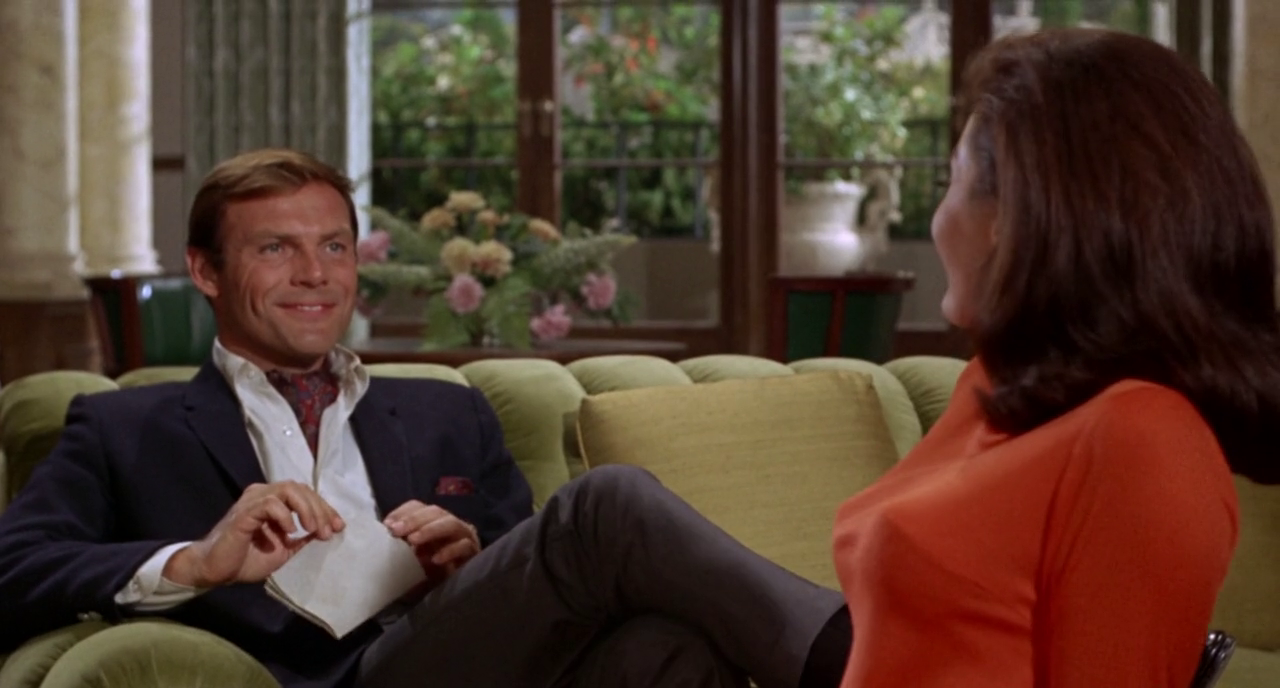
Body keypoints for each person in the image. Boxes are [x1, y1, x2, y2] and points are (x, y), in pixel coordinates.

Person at [0, 148, 852, 688]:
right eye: (276, 248)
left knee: (668, 651)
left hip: (465, 660)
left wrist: (471, 563)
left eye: (334, 246)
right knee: (607, 502)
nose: (315, 274)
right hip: (327, 679)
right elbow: (13, 572)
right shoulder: (123, 428)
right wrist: (196, 562)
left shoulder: (449, 411)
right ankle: (866, 660)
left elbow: (547, 573)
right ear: (206, 271)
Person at [832, 28, 1280, 688]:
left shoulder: (1144, 440)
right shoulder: (998, 387)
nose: (935, 221)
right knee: (671, 636)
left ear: (1015, 220)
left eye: (953, 182)